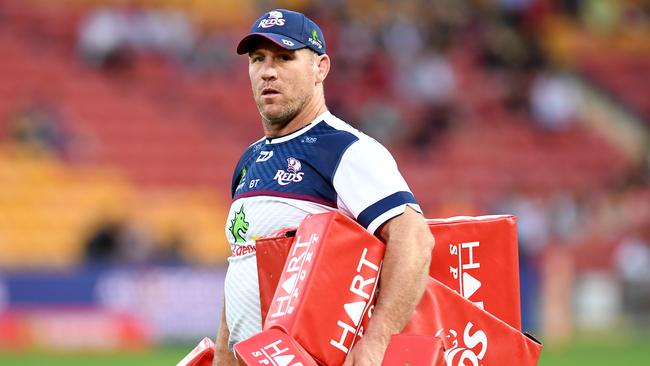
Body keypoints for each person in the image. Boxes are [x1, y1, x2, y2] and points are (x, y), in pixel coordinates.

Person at [215, 9, 435, 365]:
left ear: (320, 68)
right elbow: (242, 265)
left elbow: (414, 239)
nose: (268, 71)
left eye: (285, 58)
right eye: (258, 59)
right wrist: (224, 355)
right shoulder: (250, 159)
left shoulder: (345, 149)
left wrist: (377, 341)